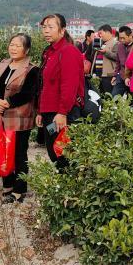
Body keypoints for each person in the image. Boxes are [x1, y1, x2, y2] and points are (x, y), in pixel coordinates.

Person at [0, 34, 40, 203]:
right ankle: (7, 185)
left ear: (27, 49)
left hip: (19, 118)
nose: (13, 48)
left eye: (18, 46)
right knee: (2, 151)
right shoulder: (3, 64)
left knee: (18, 153)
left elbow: (28, 93)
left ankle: (19, 189)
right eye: (12, 44)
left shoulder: (32, 69)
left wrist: (6, 103)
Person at [37, 14, 85, 172]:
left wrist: (62, 112)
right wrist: (40, 111)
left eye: (51, 27)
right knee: (53, 149)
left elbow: (69, 85)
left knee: (63, 153)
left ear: (62, 30)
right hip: (50, 113)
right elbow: (45, 85)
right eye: (44, 27)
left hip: (64, 114)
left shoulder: (68, 51)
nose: (46, 31)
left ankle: (71, 189)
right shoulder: (49, 52)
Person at [97, 24, 118, 96]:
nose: (100, 36)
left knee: (109, 96)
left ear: (108, 32)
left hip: (109, 75)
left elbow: (117, 57)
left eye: (101, 33)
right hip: (101, 75)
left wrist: (106, 52)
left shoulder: (115, 43)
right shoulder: (102, 43)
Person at [113, 25, 133, 97]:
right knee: (114, 97)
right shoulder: (120, 45)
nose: (121, 40)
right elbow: (117, 62)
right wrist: (115, 75)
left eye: (123, 38)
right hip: (121, 75)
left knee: (132, 100)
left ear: (130, 36)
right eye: (120, 38)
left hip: (132, 76)